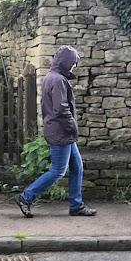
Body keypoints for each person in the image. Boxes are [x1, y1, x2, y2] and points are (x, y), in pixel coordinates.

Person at [15, 45, 97, 218]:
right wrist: (73, 126)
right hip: (61, 131)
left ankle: (76, 206)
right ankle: (26, 197)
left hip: (61, 131)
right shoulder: (58, 80)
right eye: (73, 63)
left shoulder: (51, 77)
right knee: (58, 171)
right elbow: (61, 108)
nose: (74, 66)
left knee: (77, 167)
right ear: (66, 62)